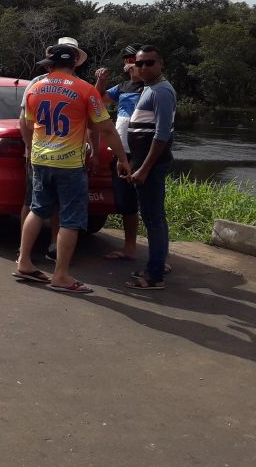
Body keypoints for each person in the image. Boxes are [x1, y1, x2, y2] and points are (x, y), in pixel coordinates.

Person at [15, 43, 130, 294]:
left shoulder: (35, 88)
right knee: (71, 219)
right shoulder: (86, 90)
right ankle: (61, 275)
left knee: (37, 209)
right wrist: (121, 158)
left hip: (40, 160)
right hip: (69, 165)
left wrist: (30, 149)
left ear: (51, 65)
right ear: (75, 64)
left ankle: (24, 261)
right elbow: (106, 128)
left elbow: (27, 123)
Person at [124, 45, 177, 291]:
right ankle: (158, 265)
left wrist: (144, 168)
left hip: (152, 165)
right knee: (155, 217)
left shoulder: (162, 91)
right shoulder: (150, 88)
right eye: (139, 63)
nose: (142, 67)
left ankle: (154, 276)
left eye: (148, 63)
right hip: (143, 161)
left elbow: (162, 134)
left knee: (153, 218)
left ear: (161, 64)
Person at [94, 44, 144, 261]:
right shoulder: (122, 87)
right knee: (126, 204)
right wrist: (101, 81)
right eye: (127, 60)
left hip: (143, 154)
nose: (129, 63)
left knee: (150, 205)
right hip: (122, 153)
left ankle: (158, 257)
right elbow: (97, 99)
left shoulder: (151, 87)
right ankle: (130, 247)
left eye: (132, 59)